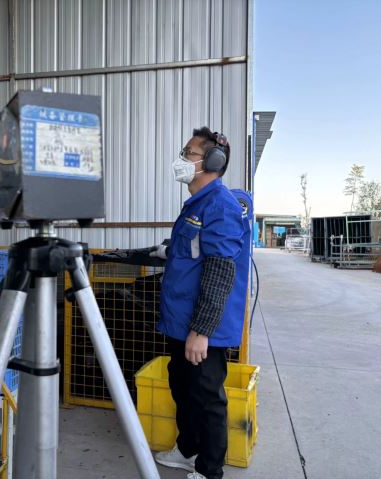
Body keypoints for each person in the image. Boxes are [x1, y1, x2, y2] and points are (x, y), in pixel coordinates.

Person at [150, 127, 245, 479]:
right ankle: (187, 450)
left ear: (213, 162)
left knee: (207, 399)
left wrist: (201, 330)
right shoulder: (197, 204)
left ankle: (209, 471)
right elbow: (193, 255)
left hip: (202, 327)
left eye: (188, 153)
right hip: (180, 320)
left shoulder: (220, 205)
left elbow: (220, 271)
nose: (182, 159)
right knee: (183, 388)